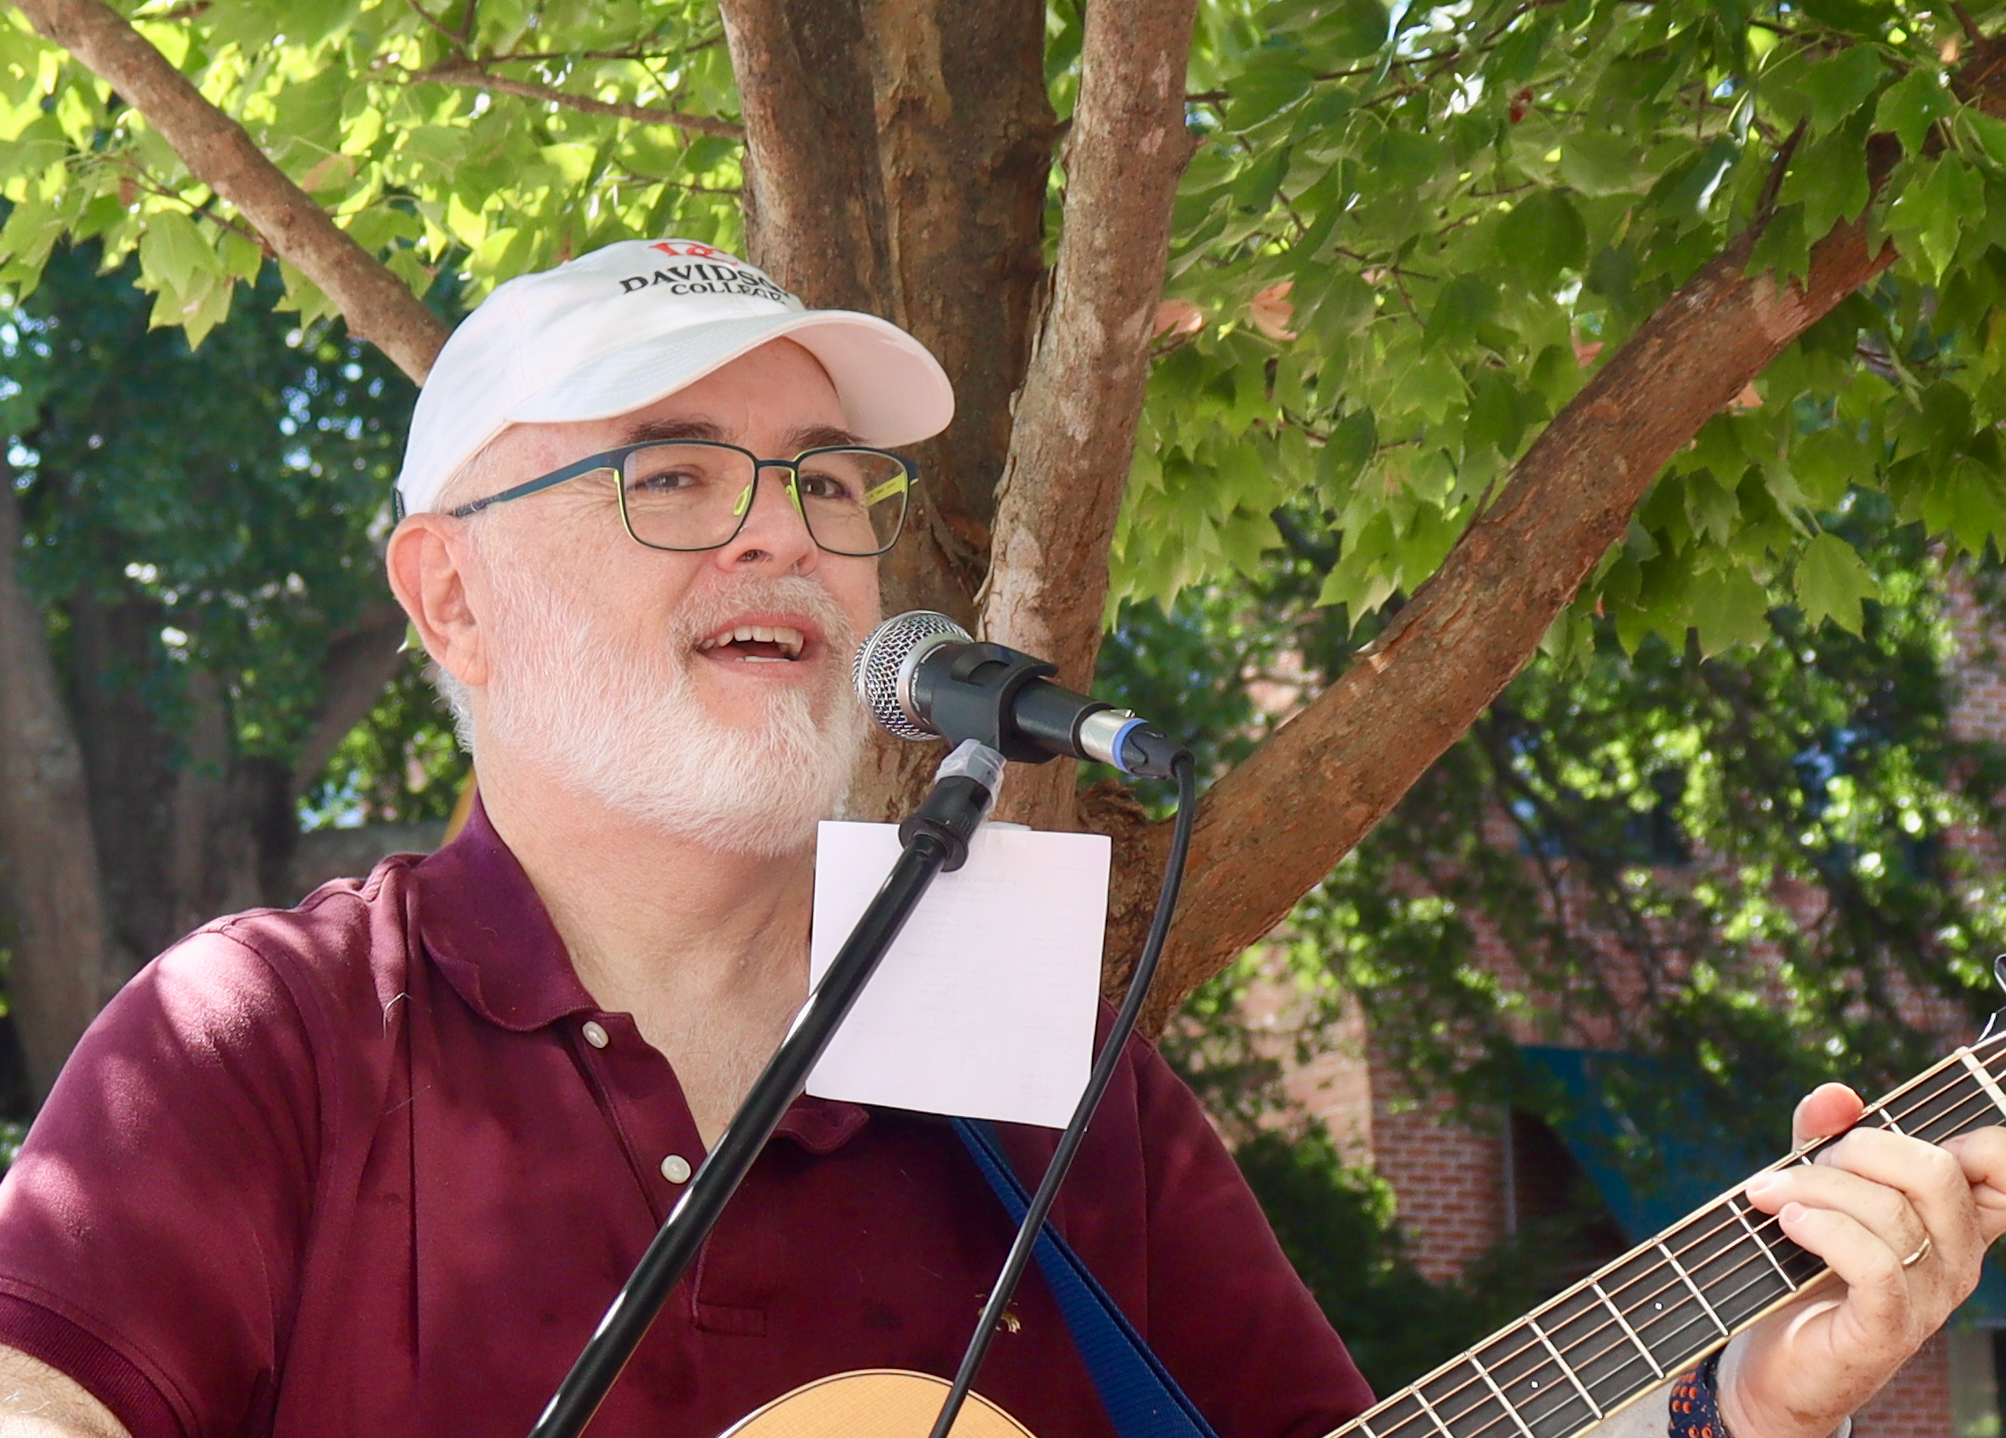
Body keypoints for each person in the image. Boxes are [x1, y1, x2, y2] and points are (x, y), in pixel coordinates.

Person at [0, 239, 1996, 1438]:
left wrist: (1736, 1401)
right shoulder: (260, 1030)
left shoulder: (1002, 1024)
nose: (781, 523)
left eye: (823, 477)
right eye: (671, 470)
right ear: (445, 598)